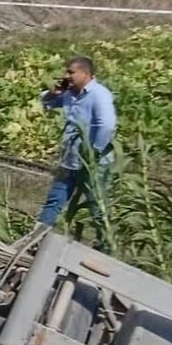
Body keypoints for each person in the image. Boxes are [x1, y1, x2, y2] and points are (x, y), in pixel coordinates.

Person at [38, 55, 116, 240]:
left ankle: (105, 246)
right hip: (70, 159)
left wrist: (94, 152)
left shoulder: (99, 94)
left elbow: (106, 125)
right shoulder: (70, 93)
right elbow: (46, 102)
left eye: (71, 72)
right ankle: (36, 240)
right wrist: (54, 93)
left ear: (86, 74)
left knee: (97, 206)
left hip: (92, 162)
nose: (67, 76)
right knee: (55, 201)